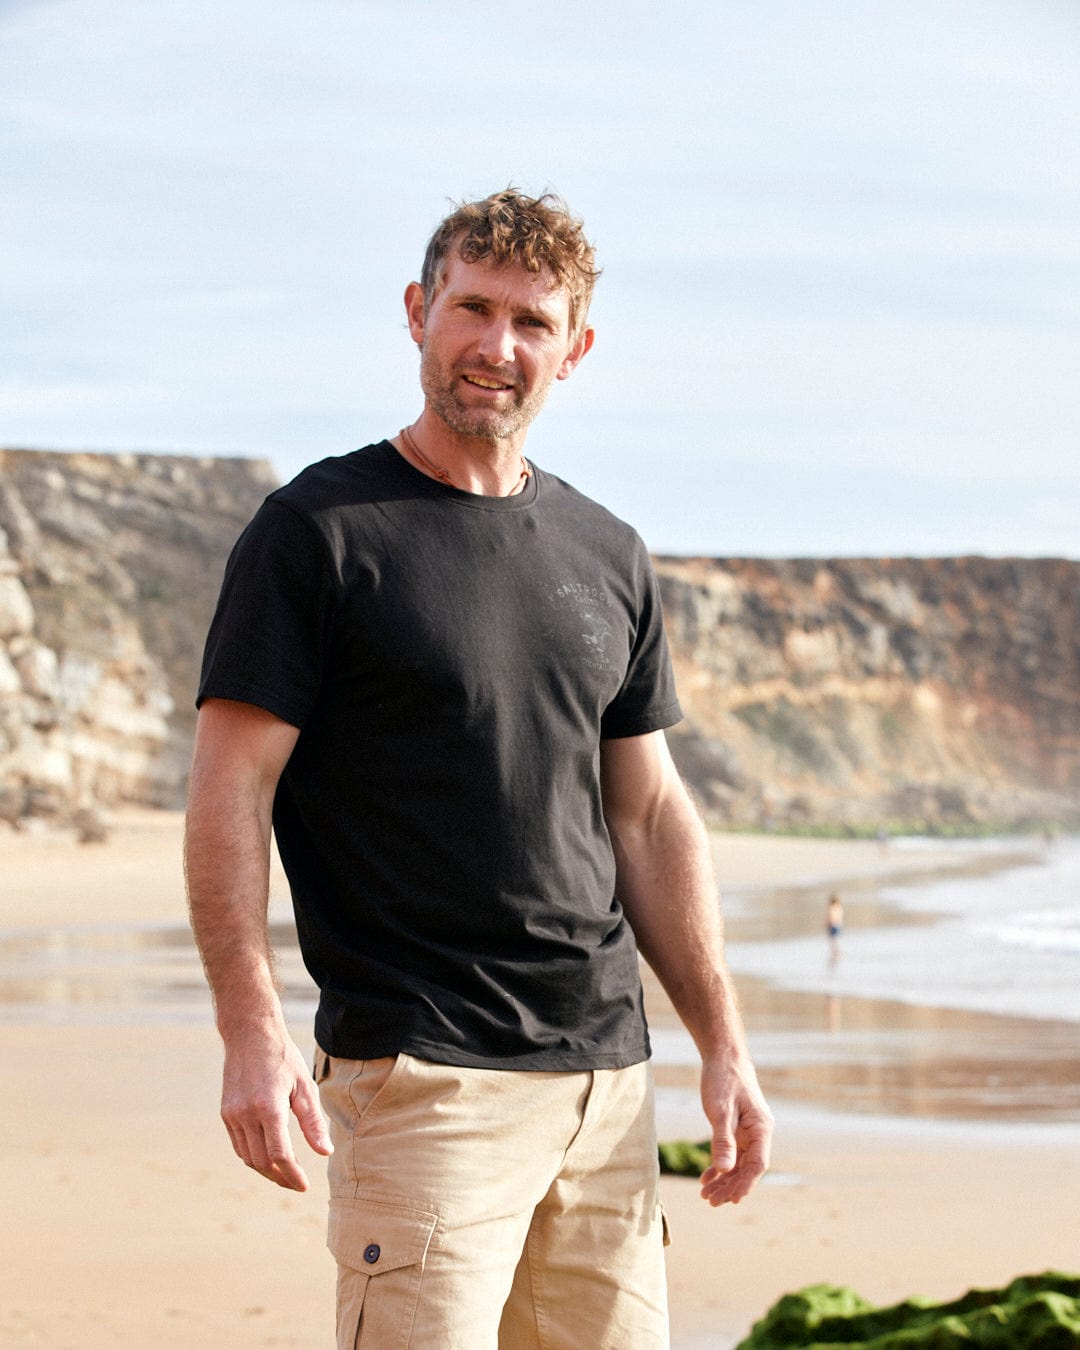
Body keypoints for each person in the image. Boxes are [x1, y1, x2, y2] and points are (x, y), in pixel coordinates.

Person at [185, 188, 772, 1349]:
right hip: (425, 1080)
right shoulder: (320, 533)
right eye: (472, 308)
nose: (496, 348)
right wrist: (248, 1030)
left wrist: (726, 1046)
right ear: (418, 312)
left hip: (605, 1085)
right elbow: (229, 789)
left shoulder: (608, 551)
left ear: (577, 348)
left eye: (532, 322)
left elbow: (649, 818)